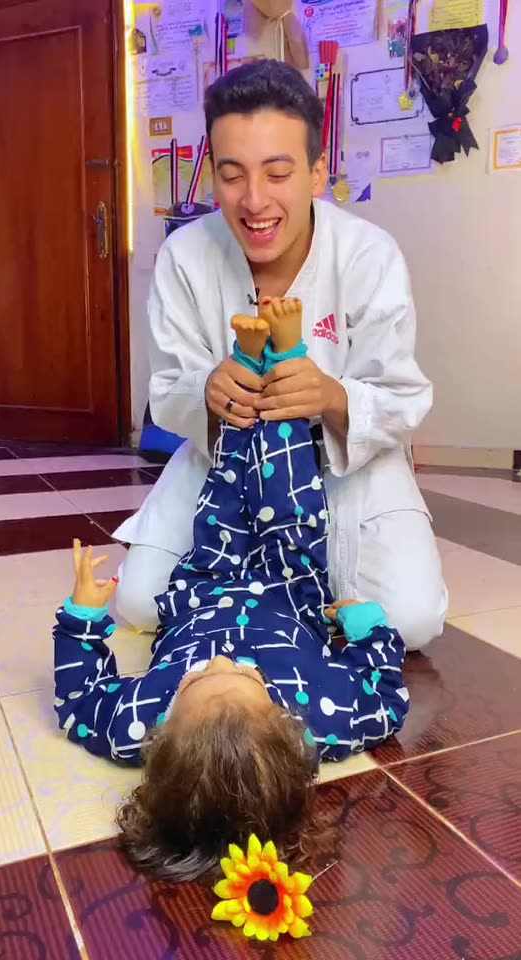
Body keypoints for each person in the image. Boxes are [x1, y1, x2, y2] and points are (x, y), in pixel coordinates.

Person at [53, 301, 409, 882]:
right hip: (289, 591)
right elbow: (386, 697)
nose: (222, 662)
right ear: (291, 734)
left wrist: (82, 621)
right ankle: (288, 356)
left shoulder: (135, 726)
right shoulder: (326, 721)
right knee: (290, 502)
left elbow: (78, 702)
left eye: (194, 682)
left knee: (224, 495)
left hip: (205, 586)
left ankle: (246, 368)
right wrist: (368, 628)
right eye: (247, 678)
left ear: (160, 741)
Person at [114, 58, 447, 649]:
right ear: (212, 175)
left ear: (317, 173)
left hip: (344, 466)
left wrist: (333, 396)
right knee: (140, 603)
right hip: (227, 462)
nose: (254, 200)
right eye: (232, 174)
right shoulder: (184, 256)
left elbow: (401, 396)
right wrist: (207, 394)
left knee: (410, 618)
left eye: (277, 173)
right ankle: (274, 594)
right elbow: (167, 392)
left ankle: (265, 594)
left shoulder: (368, 255)